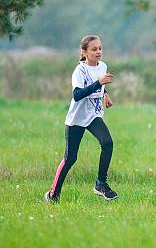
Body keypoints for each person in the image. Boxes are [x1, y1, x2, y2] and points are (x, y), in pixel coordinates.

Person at [45, 35, 117, 202]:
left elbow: (99, 84)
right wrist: (99, 84)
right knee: (70, 158)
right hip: (76, 119)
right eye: (94, 49)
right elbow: (77, 95)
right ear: (84, 52)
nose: (98, 51)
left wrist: (105, 94)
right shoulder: (80, 71)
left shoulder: (103, 66)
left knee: (107, 143)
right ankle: (53, 194)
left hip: (93, 116)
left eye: (100, 48)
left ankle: (101, 184)